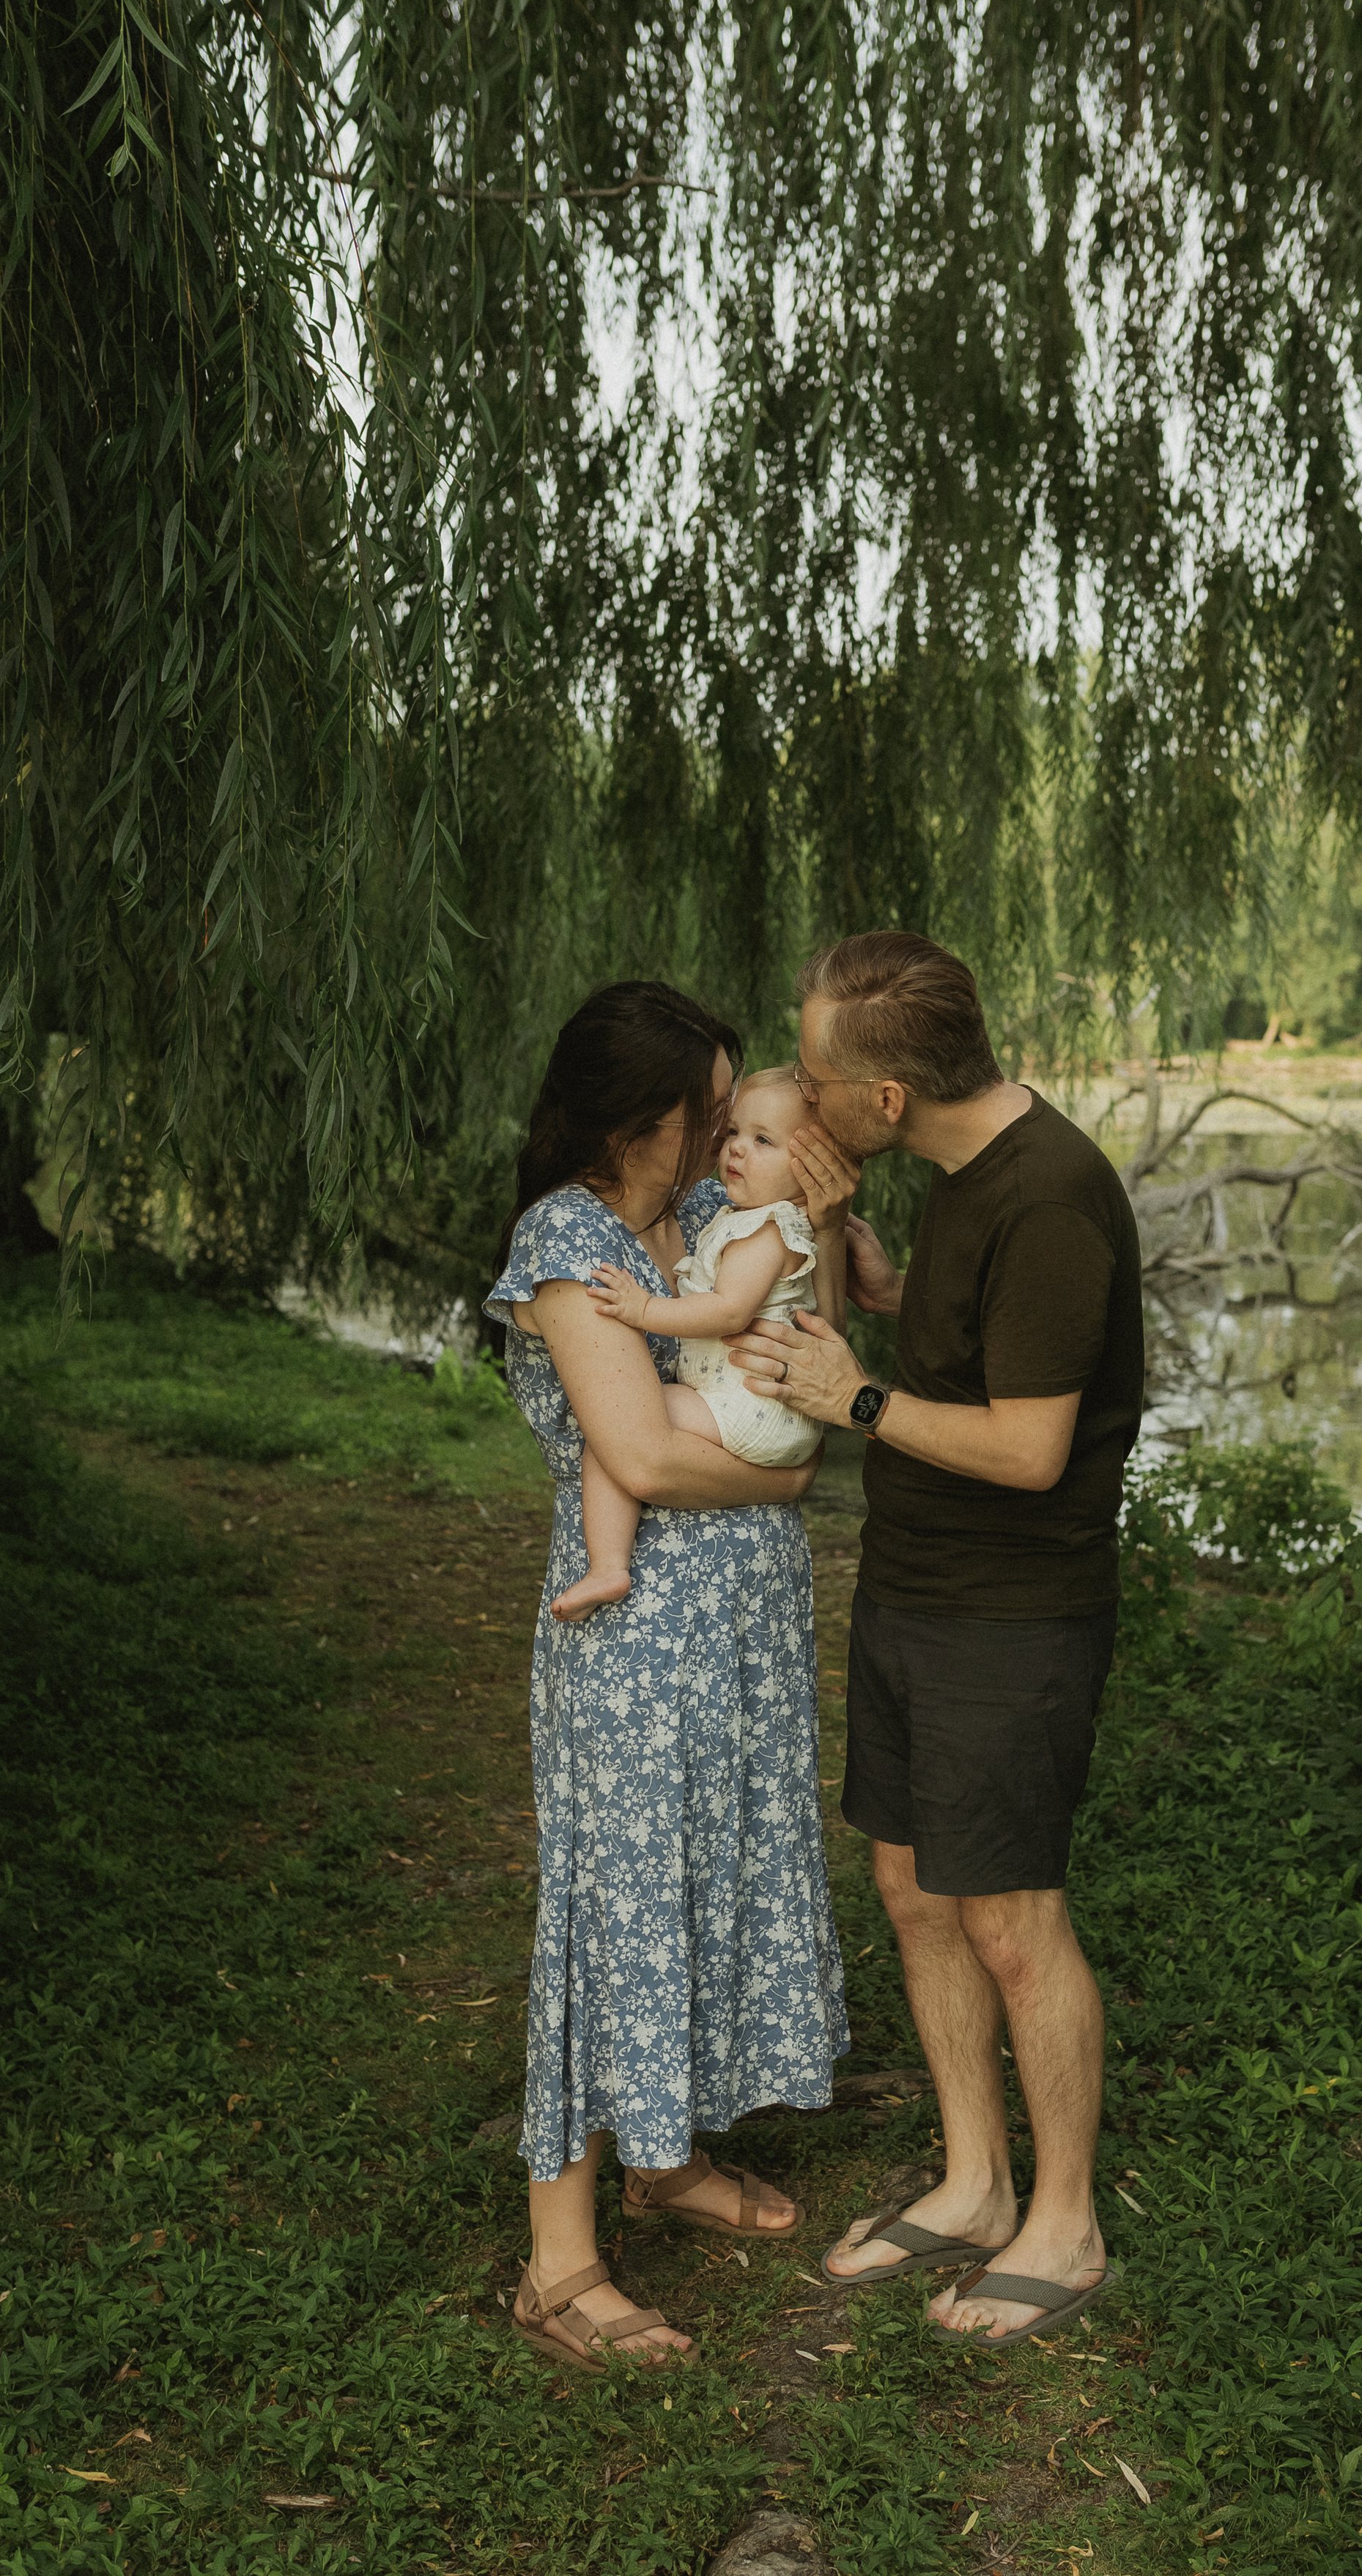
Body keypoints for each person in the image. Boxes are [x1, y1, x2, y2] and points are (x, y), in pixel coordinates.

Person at [726, 930, 1144, 2347]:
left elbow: (1030, 1450)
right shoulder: (952, 1173)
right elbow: (921, 1328)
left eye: (815, 1074)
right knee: (914, 1894)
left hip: (1012, 1615)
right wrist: (841, 1240)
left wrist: (855, 1404)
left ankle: (1067, 2224)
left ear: (886, 1099)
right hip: (915, 1585)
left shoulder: (1053, 1204)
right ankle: (973, 2183)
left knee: (1012, 1918)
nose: (797, 1087)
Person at [482, 982, 853, 2369]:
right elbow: (637, 1457)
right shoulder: (566, 1243)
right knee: (611, 1903)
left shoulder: (701, 1223)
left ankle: (663, 2154)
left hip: (738, 1642)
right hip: (632, 1648)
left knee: (700, 1878)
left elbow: (807, 1323)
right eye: (713, 1108)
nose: (729, 1129)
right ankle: (560, 2265)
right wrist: (793, 1466)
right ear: (648, 1115)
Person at [552, 1069, 843, 1619]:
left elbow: (729, 1310)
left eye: (763, 1140)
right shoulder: (739, 1216)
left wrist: (644, 1310)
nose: (734, 1148)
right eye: (733, 1130)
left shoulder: (767, 1229)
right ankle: (607, 1566)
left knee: (613, 1435)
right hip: (755, 1404)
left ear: (809, 1172)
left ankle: (607, 1566)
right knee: (625, 1436)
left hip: (750, 1405)